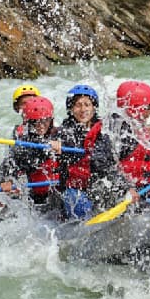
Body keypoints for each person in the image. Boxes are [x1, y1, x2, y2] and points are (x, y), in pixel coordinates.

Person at [48, 84, 119, 221]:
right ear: (71, 109)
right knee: (77, 202)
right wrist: (55, 145)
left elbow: (107, 160)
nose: (83, 109)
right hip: (73, 188)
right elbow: (54, 143)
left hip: (98, 184)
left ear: (94, 107)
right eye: (78, 105)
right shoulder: (63, 131)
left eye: (87, 105)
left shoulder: (104, 130)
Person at [0, 96, 59, 221]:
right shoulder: (22, 147)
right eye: (36, 121)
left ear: (51, 120)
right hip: (36, 200)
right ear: (28, 122)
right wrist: (5, 181)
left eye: (45, 121)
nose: (41, 125)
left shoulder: (61, 136)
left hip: (58, 194)